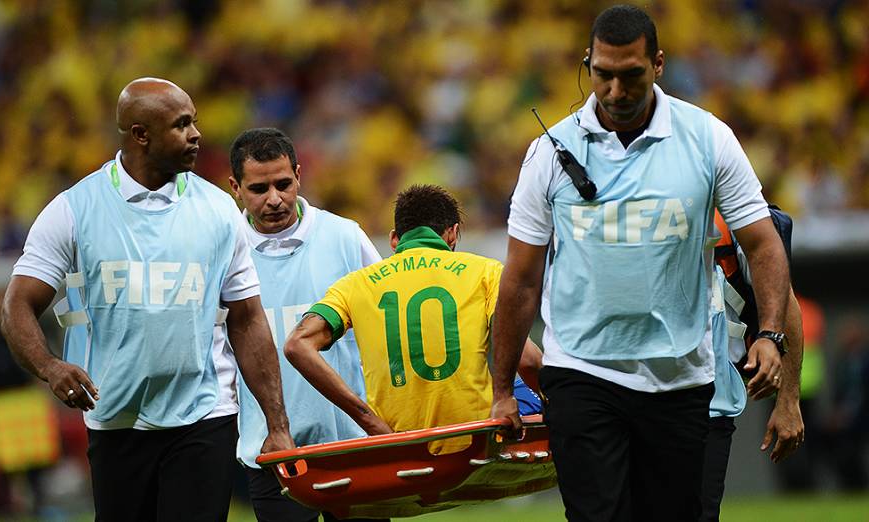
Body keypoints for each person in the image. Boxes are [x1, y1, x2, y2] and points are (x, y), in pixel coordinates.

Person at [489, 6, 792, 522]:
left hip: (680, 379)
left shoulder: (707, 138)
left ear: (658, 64)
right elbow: (520, 280)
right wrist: (500, 391)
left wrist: (770, 335)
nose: (614, 91)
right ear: (588, 64)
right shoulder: (549, 152)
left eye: (630, 75)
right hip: (582, 372)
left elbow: (763, 245)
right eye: (602, 74)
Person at [0, 78, 293, 522]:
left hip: (203, 416)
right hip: (115, 420)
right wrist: (50, 366)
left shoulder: (217, 210)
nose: (196, 134)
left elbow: (247, 319)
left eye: (194, 121)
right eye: (181, 125)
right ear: (140, 135)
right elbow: (16, 306)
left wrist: (277, 426)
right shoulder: (74, 209)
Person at [284, 184, 542, 447]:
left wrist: (368, 421)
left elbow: (297, 344)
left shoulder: (353, 285)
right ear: (452, 234)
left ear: (395, 239)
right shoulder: (486, 272)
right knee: (526, 390)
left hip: (399, 449)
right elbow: (528, 360)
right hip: (473, 440)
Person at [227, 128, 385, 522]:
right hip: (272, 449)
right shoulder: (224, 250)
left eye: (283, 183)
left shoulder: (345, 237)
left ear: (299, 175)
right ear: (235, 188)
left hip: (353, 443)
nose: (275, 199)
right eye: (259, 188)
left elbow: (385, 321)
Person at [701, 210, 805, 521]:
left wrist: (788, 400)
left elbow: (784, 303)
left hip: (710, 394)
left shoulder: (731, 215)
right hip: (629, 388)